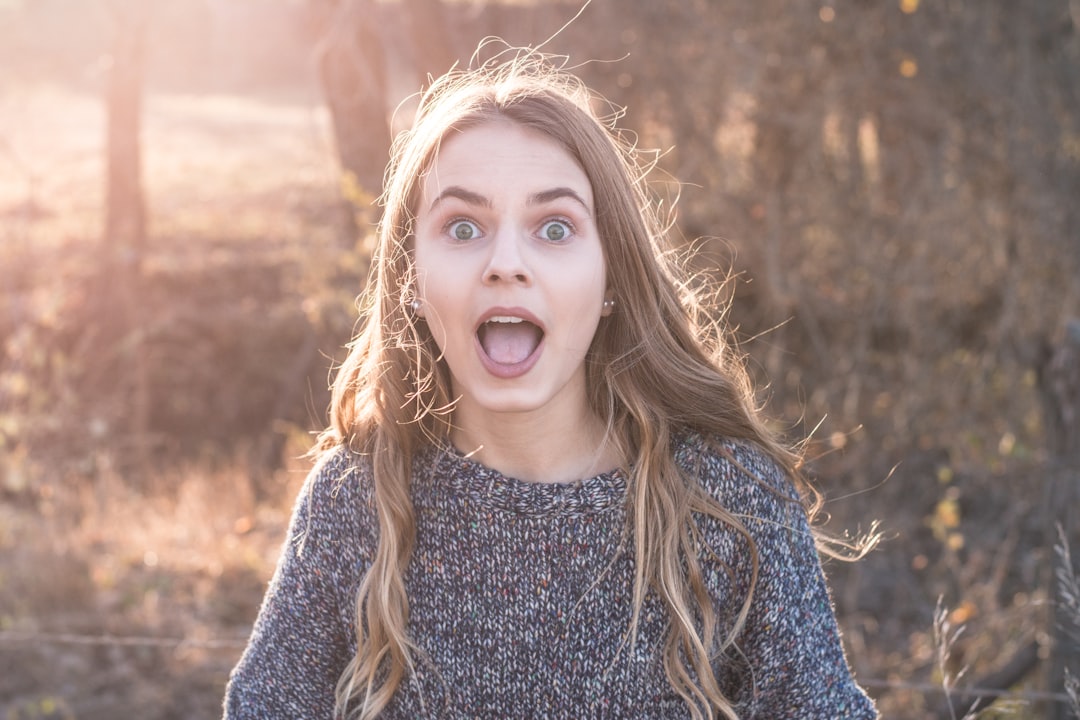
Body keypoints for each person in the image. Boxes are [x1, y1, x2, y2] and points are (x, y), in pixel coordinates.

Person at [223, 51, 878, 720]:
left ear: (611, 281)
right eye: (463, 227)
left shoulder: (730, 503)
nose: (506, 263)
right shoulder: (357, 501)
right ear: (410, 279)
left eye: (555, 228)